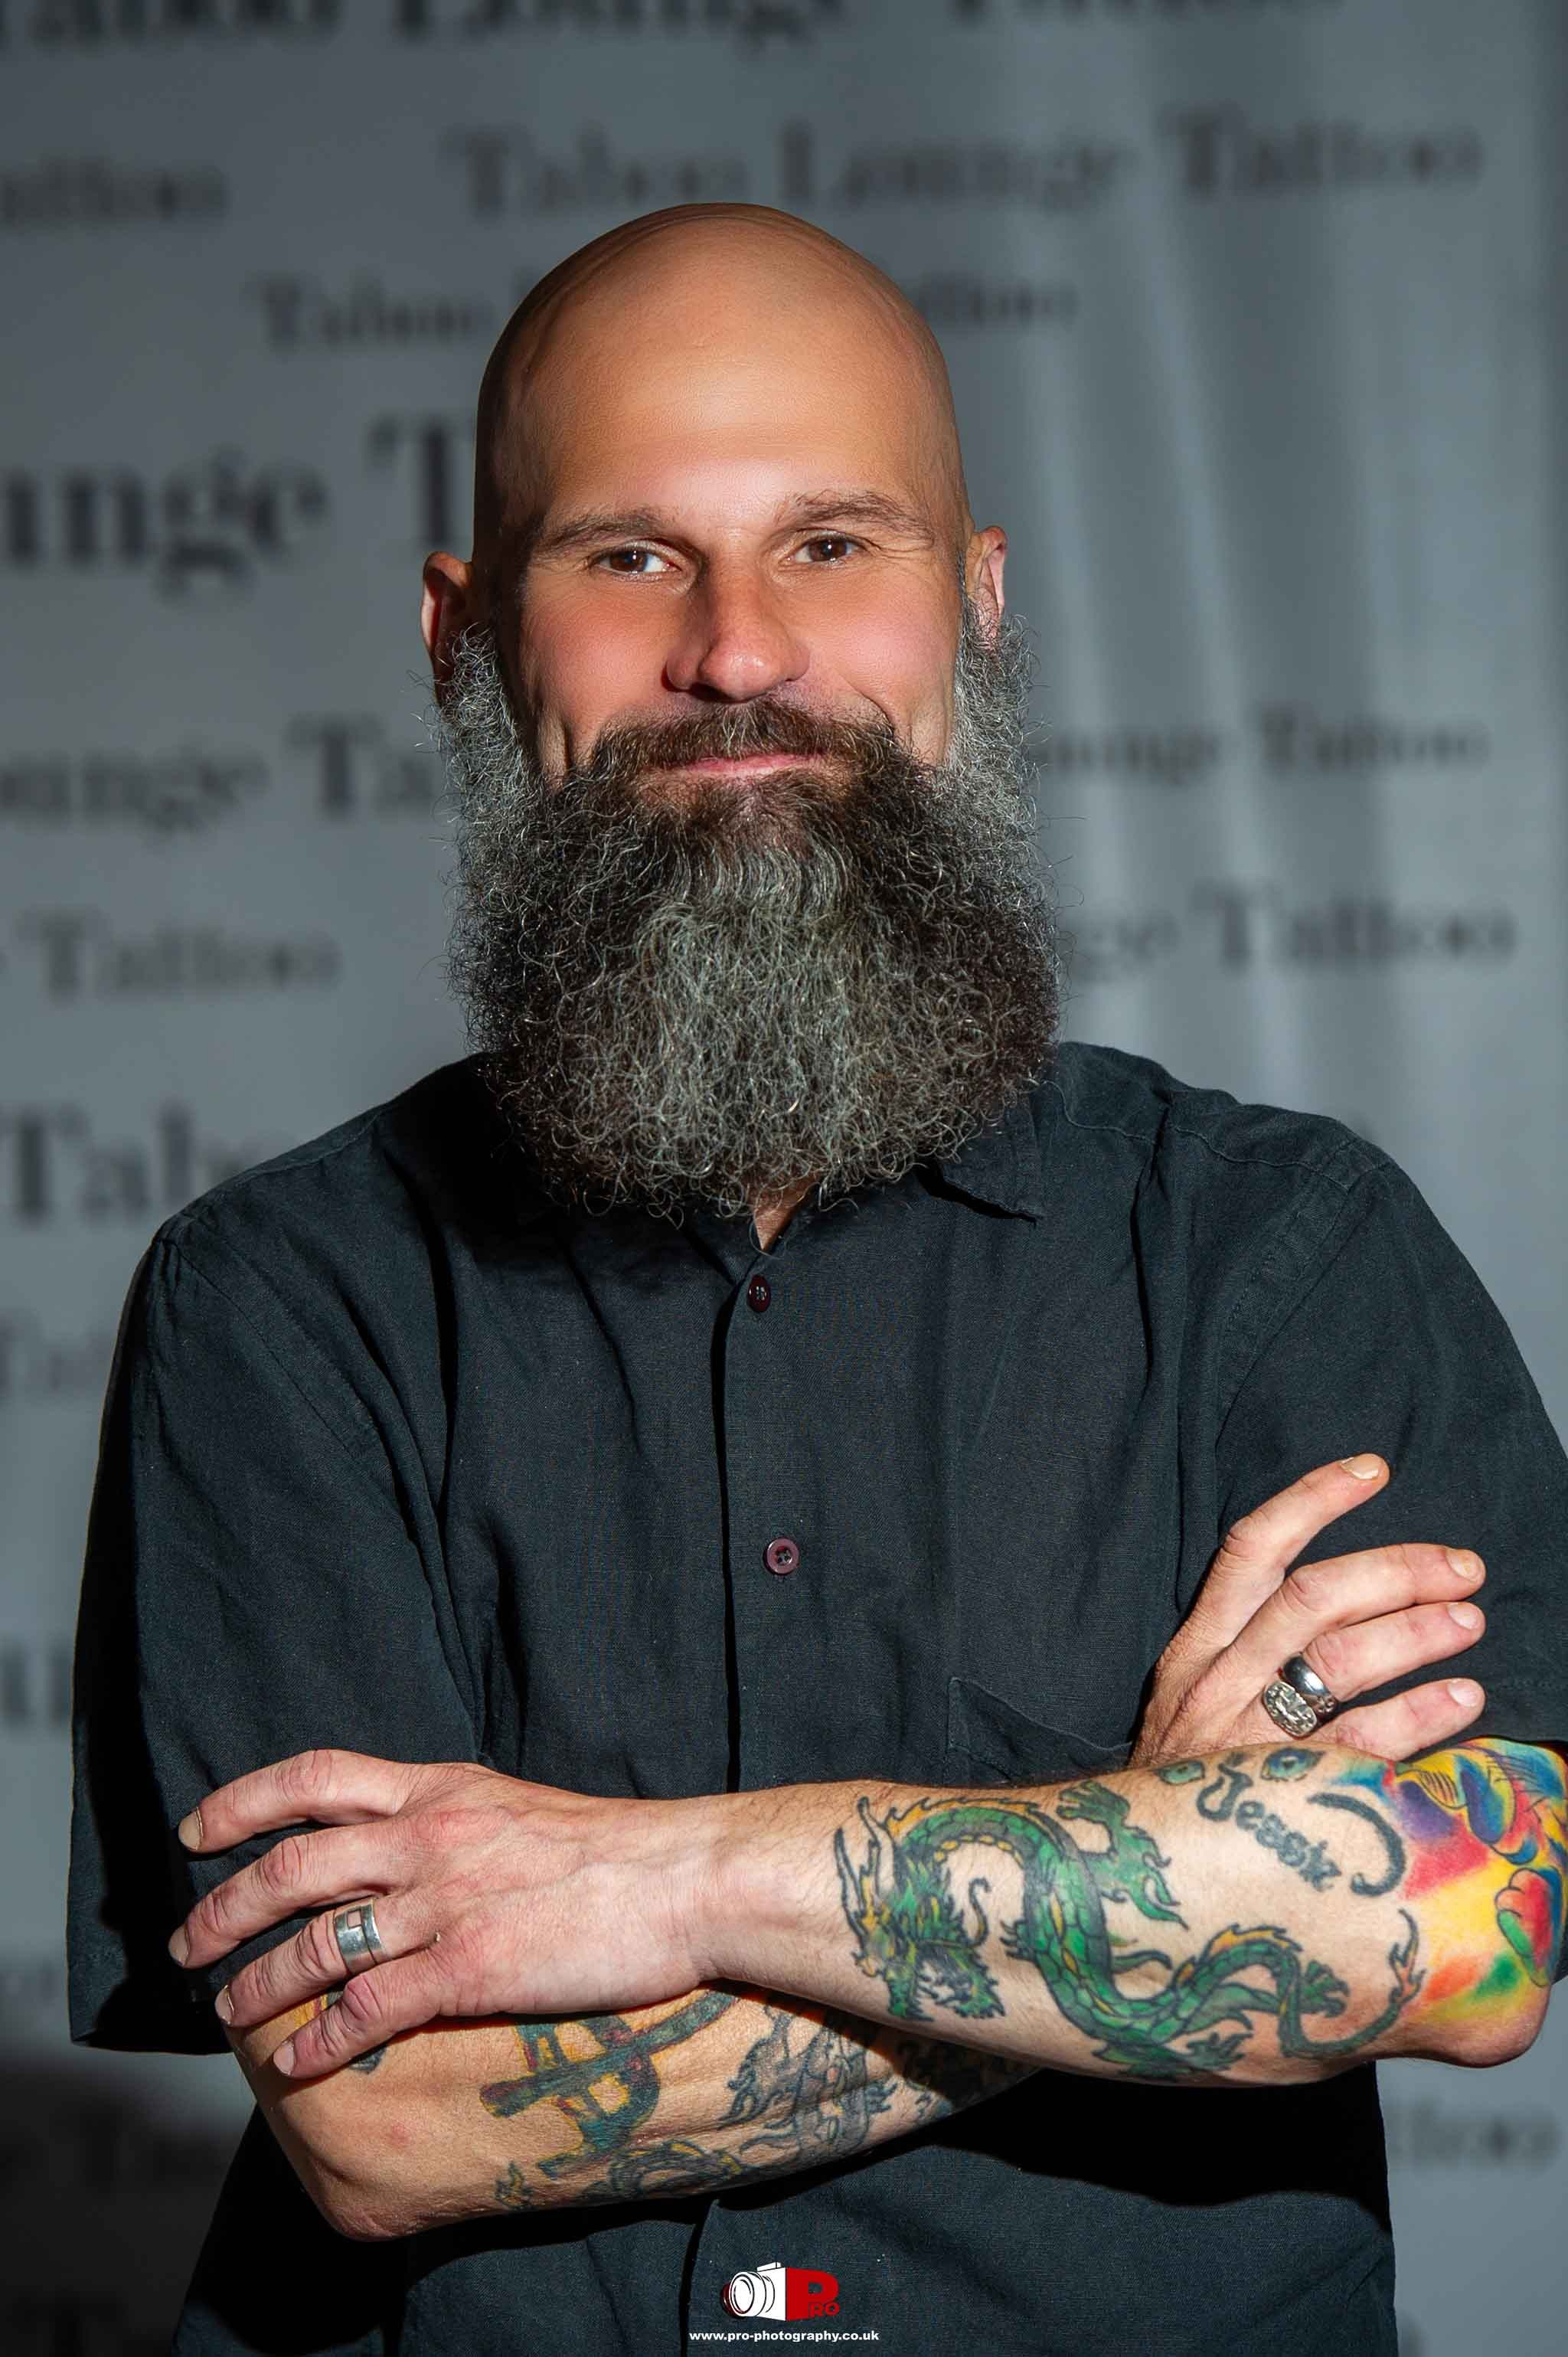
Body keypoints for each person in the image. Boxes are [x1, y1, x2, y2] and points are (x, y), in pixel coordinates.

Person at [67, 204, 1566, 2357]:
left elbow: (1471, 1928)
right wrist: (1151, 1865)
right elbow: (382, 2116)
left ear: (978, 607)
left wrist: (664, 1878)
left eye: (833, 545)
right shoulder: (279, 1303)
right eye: (632, 556)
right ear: (461, 638)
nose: (741, 651)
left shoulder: (1280, 1247)